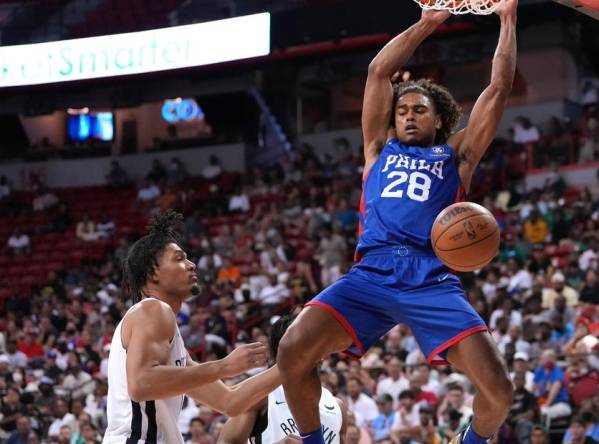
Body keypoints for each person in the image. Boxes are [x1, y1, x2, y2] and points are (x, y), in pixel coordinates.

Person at [277, 3, 518, 444]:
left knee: (499, 390)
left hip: (431, 277)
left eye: (419, 110)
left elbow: (498, 88)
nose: (407, 114)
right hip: (371, 273)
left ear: (439, 119)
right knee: (292, 350)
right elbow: (377, 72)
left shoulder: (456, 158)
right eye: (402, 109)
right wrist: (427, 23)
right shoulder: (376, 150)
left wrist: (507, 18)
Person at [104, 211, 281, 443]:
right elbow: (141, 384)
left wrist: (294, 361)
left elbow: (230, 402)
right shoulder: (152, 310)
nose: (191, 264)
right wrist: (224, 366)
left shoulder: (167, 337)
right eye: (179, 259)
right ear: (153, 272)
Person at [218, 314, 346, 444]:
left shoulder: (337, 406)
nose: (317, 352)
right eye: (309, 345)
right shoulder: (261, 397)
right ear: (284, 351)